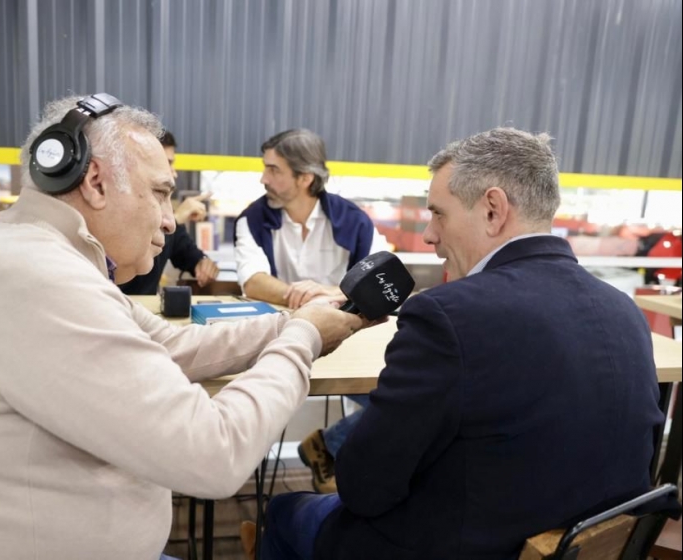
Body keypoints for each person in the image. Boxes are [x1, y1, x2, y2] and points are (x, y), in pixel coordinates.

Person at [0, 94, 367, 560]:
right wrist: (303, 338)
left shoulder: (35, 256)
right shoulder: (31, 274)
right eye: (160, 193)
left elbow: (172, 343)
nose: (170, 221)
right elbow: (215, 452)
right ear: (96, 182)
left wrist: (291, 323)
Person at [250, 127, 668, 560]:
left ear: (492, 210)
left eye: (439, 214)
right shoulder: (625, 312)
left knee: (284, 511)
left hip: (456, 546)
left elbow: (362, 487)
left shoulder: (447, 316)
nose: (429, 235)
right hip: (585, 544)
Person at [234, 128, 388, 492]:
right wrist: (303, 296)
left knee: (402, 400)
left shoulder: (353, 219)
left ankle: (327, 445)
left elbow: (380, 275)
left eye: (273, 169)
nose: (263, 178)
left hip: (347, 345)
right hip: (280, 339)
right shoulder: (252, 219)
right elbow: (253, 281)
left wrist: (331, 292)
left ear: (305, 178)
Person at [118, 130, 219, 294]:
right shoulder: (121, 213)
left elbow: (186, 253)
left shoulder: (167, 213)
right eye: (166, 163)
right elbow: (129, 277)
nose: (174, 173)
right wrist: (177, 218)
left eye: (171, 164)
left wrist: (203, 262)